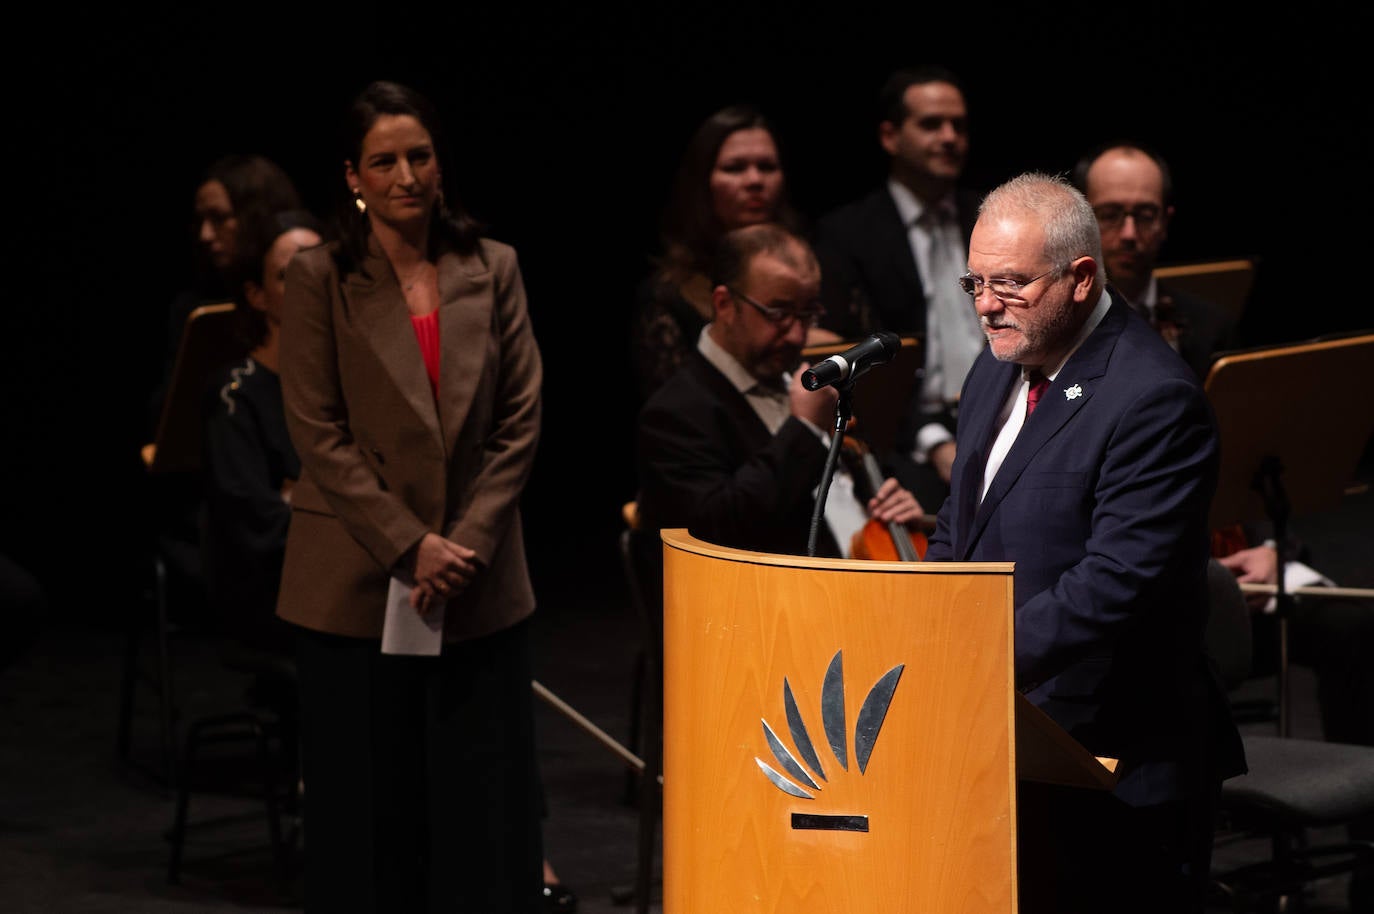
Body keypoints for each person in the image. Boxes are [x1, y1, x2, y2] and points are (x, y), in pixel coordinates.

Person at [922, 172, 1245, 913]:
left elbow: (1113, 583)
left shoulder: (1154, 399)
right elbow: (960, 523)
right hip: (1007, 740)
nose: (985, 305)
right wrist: (925, 620)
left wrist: (969, 656)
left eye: (1010, 283)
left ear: (1080, 278)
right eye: (976, 281)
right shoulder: (996, 360)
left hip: (1116, 761)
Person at [276, 80, 546, 913]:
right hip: (359, 583)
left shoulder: (490, 265)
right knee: (368, 818)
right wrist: (409, 544)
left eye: (418, 156)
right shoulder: (319, 276)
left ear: (440, 165)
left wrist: (458, 543)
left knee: (481, 811)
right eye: (383, 161)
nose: (405, 176)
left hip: (476, 573)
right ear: (352, 176)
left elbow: (520, 417)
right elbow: (317, 431)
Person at [635, 221, 923, 560]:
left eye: (807, 314)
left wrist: (889, 504)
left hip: (866, 574)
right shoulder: (674, 413)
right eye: (779, 314)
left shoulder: (804, 383)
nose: (796, 336)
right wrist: (803, 430)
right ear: (725, 304)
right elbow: (716, 530)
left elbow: (853, 489)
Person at [811, 65, 986, 512]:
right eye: (931, 124)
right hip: (903, 441)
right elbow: (862, 366)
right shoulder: (848, 235)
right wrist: (934, 441)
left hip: (999, 411)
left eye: (959, 125)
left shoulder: (990, 215)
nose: (949, 137)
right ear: (890, 136)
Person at [200, 208, 326, 785]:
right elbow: (258, 528)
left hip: (344, 575)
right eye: (287, 276)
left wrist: (304, 498)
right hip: (271, 595)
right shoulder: (238, 397)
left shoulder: (347, 386)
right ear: (257, 294)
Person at [630, 104, 830, 405]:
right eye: (735, 168)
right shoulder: (668, 297)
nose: (754, 181)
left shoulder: (813, 265)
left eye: (767, 167)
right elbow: (679, 415)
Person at [1070, 140, 1237, 379]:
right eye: (1110, 215)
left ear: (1165, 223)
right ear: (1081, 220)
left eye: (1146, 216)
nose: (1129, 233)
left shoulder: (1213, 329)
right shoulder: (1056, 326)